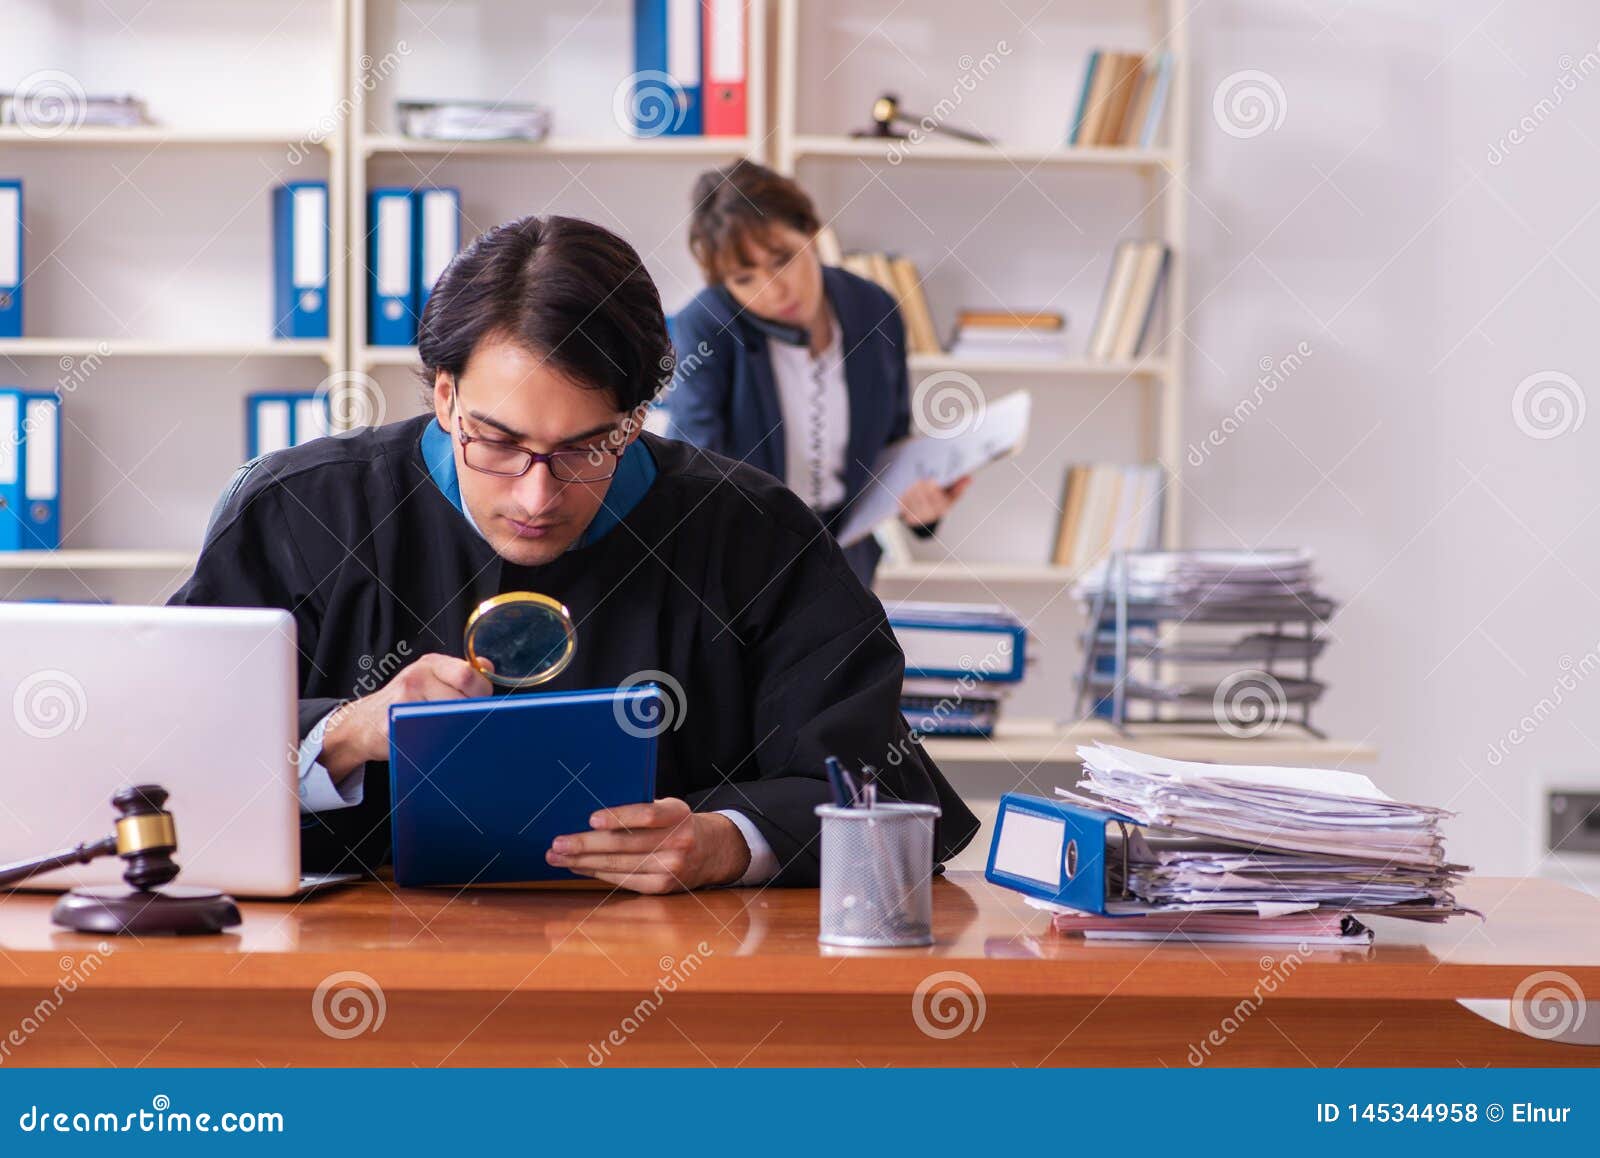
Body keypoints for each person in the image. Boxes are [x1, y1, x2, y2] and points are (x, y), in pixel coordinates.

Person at [171, 214, 977, 893]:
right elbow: (160, 757)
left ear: (636, 416)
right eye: (498, 442)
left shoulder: (754, 534)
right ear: (443, 393)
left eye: (590, 447)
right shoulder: (303, 511)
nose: (536, 496)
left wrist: (729, 841)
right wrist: (345, 734)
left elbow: (887, 793)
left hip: (675, 993)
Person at [664, 160, 969, 586]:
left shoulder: (875, 309)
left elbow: (893, 445)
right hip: (743, 566)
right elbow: (694, 474)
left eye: (783, 260)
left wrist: (921, 505)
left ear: (811, 231)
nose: (774, 290)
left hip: (848, 565)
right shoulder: (707, 325)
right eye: (744, 277)